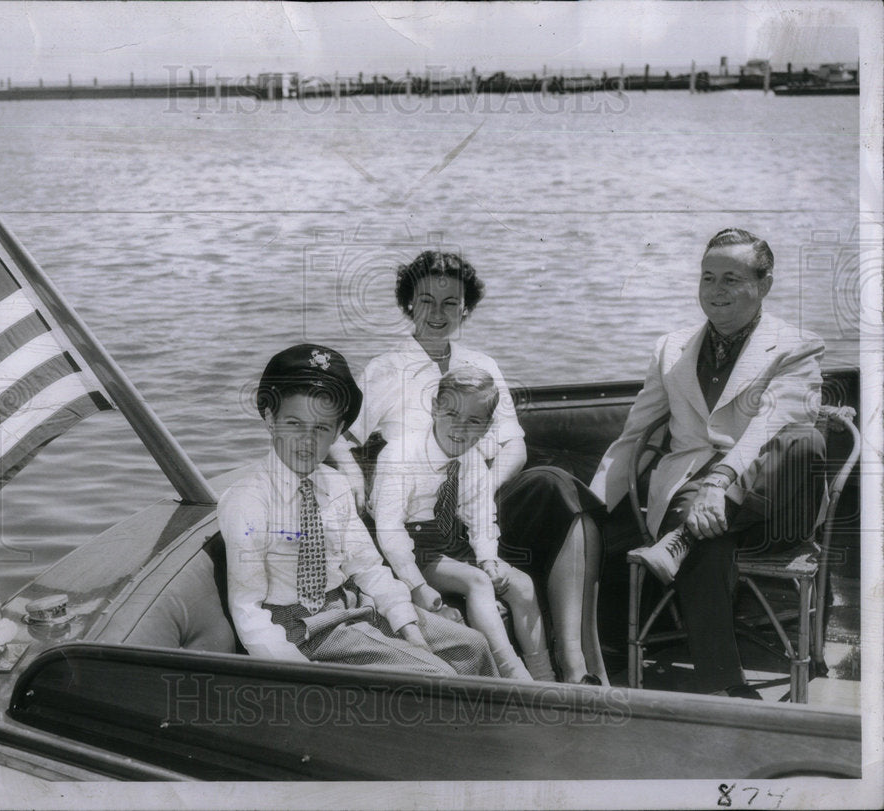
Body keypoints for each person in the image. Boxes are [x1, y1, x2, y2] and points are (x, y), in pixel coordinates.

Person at [330, 251, 607, 685]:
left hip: (480, 500)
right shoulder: (386, 370)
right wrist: (351, 476)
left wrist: (482, 488)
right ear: (409, 305)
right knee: (552, 496)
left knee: (555, 485)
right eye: (426, 301)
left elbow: (513, 442)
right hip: (416, 516)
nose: (438, 313)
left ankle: (575, 662)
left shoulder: (482, 367)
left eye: (451, 303)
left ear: (466, 308)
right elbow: (340, 436)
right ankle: (527, 676)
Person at [590, 228, 825, 698]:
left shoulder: (798, 347)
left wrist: (720, 482)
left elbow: (767, 428)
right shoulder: (670, 349)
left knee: (804, 439)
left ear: (764, 284)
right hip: (690, 499)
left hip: (772, 507)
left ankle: (683, 538)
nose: (715, 292)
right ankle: (725, 690)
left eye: (732, 279)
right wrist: (589, 510)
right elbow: (634, 435)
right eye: (708, 277)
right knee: (710, 540)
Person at [219, 343, 498, 677]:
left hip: (355, 607)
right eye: (294, 423)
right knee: (437, 676)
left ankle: (498, 727)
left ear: (338, 431)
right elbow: (247, 608)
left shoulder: (334, 486)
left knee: (472, 646)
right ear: (269, 418)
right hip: (304, 630)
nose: (307, 441)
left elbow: (367, 567)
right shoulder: (247, 500)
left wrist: (406, 623)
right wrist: (294, 672)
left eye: (322, 428)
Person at [372, 367, 556, 681]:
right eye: (451, 414)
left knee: (522, 584)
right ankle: (511, 672)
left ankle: (545, 676)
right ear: (434, 407)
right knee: (478, 582)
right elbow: (389, 530)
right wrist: (417, 586)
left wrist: (487, 557)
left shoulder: (470, 459)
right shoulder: (401, 455)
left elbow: (481, 515)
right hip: (412, 549)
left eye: (474, 421)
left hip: (451, 542)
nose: (460, 429)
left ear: (488, 426)